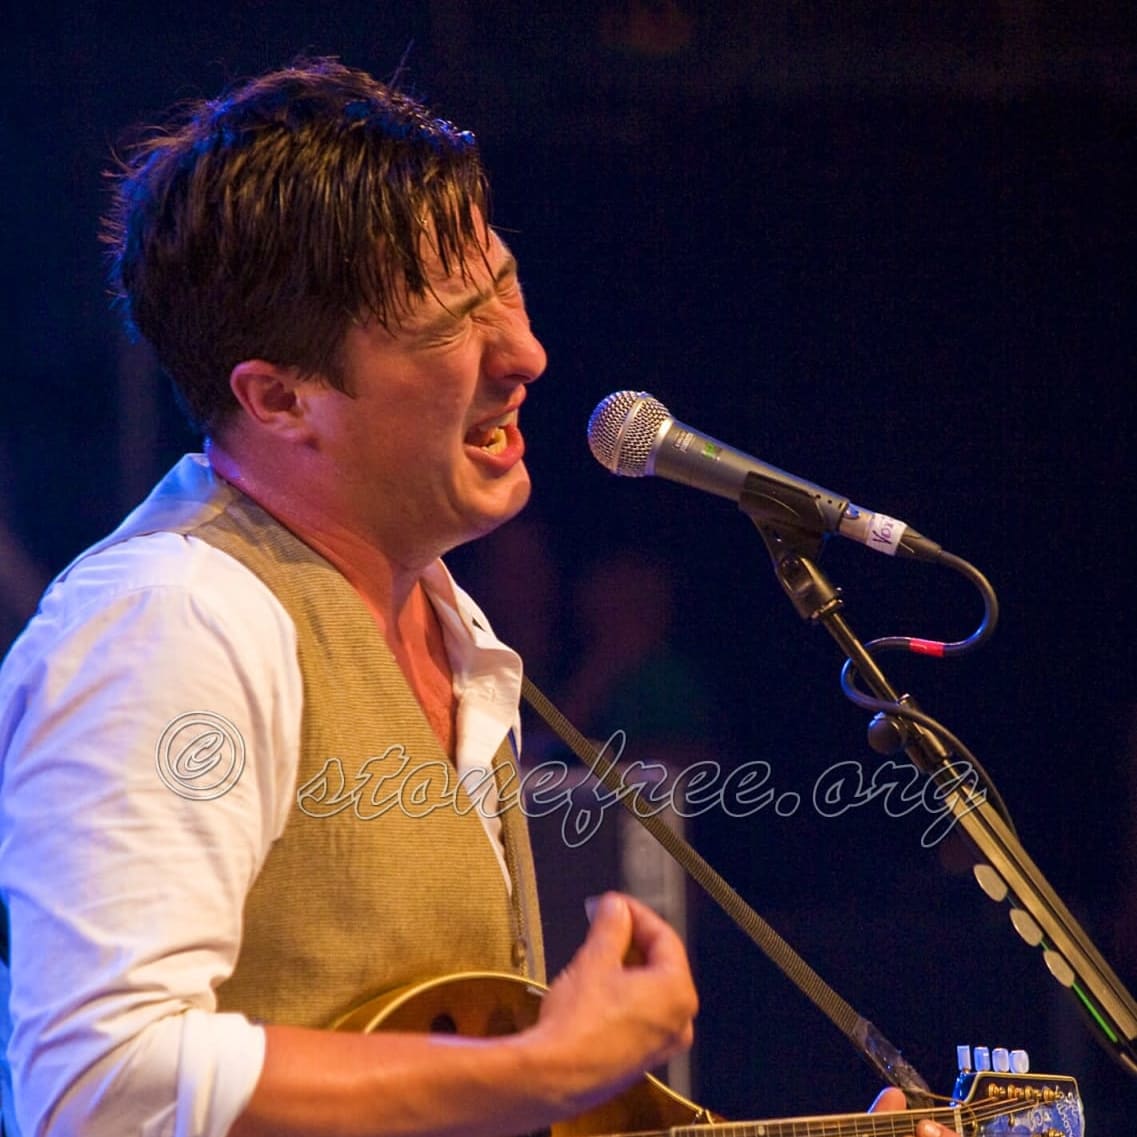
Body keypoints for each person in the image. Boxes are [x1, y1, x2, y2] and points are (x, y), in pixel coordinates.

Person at [0, 58, 953, 1137]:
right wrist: (539, 1068)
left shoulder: (460, 634)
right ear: (281, 397)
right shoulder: (173, 618)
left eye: (504, 285)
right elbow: (95, 1083)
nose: (526, 353)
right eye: (449, 321)